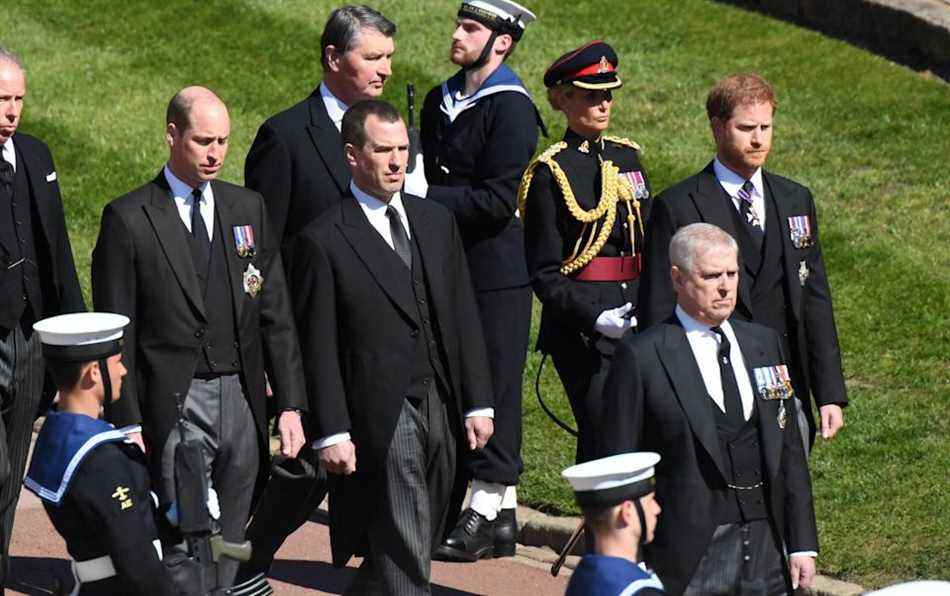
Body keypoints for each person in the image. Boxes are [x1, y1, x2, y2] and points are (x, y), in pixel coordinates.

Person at [90, 86, 307, 590]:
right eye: (203, 141)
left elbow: (275, 313)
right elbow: (117, 330)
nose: (215, 154)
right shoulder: (129, 218)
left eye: (224, 142)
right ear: (172, 135)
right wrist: (128, 420)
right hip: (175, 401)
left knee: (232, 535)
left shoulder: (247, 208)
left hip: (241, 396)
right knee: (186, 535)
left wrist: (291, 403)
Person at [290, 100, 494, 594]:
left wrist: (477, 401)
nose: (397, 161)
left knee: (415, 534)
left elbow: (463, 315)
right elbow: (317, 346)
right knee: (403, 539)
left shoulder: (435, 221)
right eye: (383, 150)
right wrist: (332, 431)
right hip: (383, 411)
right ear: (353, 155)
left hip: (442, 402)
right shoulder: (324, 238)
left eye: (404, 149)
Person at [240, 8, 396, 575]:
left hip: (379, 336)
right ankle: (245, 560)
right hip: (307, 336)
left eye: (387, 58)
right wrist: (259, 338)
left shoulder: (392, 131)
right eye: (371, 57)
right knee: (302, 469)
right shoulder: (285, 137)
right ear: (334, 58)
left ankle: (380, 575)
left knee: (388, 460)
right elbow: (258, 250)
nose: (383, 69)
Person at [600, 223, 818, 595]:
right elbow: (621, 463)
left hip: (767, 544)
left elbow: (789, 451)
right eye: (711, 275)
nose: (725, 286)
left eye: (731, 273)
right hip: (690, 554)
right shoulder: (643, 356)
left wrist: (801, 543)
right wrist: (628, 558)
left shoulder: (763, 343)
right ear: (678, 279)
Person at [637, 73, 847, 452]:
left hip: (784, 380)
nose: (759, 139)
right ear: (718, 128)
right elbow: (657, 305)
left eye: (766, 127)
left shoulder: (795, 199)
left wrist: (829, 392)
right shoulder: (679, 205)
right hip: (713, 385)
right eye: (747, 127)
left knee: (789, 494)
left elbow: (813, 299)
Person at [413, 0, 542, 562]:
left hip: (496, 275)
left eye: (471, 28)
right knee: (461, 382)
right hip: (451, 264)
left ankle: (484, 506)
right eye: (460, 24)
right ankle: (504, 516)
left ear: (502, 43)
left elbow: (494, 201)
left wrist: (422, 196)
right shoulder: (443, 97)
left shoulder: (511, 109)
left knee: (494, 389)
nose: (458, 35)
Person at [520, 40, 652, 466]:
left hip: (636, 313)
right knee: (604, 435)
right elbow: (544, 271)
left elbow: (647, 238)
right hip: (584, 326)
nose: (603, 104)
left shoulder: (626, 156)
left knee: (643, 436)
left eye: (608, 94)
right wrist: (594, 317)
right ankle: (602, 531)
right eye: (591, 95)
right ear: (562, 98)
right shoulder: (550, 173)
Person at [0, 47, 85, 585]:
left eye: (17, 100)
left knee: (11, 475)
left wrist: (75, 343)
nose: (11, 112)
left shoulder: (35, 155)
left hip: (30, 338)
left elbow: (56, 248)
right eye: (1, 100)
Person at [24, 312, 177, 595]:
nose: (123, 372)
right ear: (94, 372)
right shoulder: (101, 460)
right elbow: (138, 562)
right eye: (117, 362)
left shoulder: (57, 434)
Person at [562, 452, 664, 596]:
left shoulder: (582, 576)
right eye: (650, 501)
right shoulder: (641, 591)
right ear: (627, 511)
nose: (657, 509)